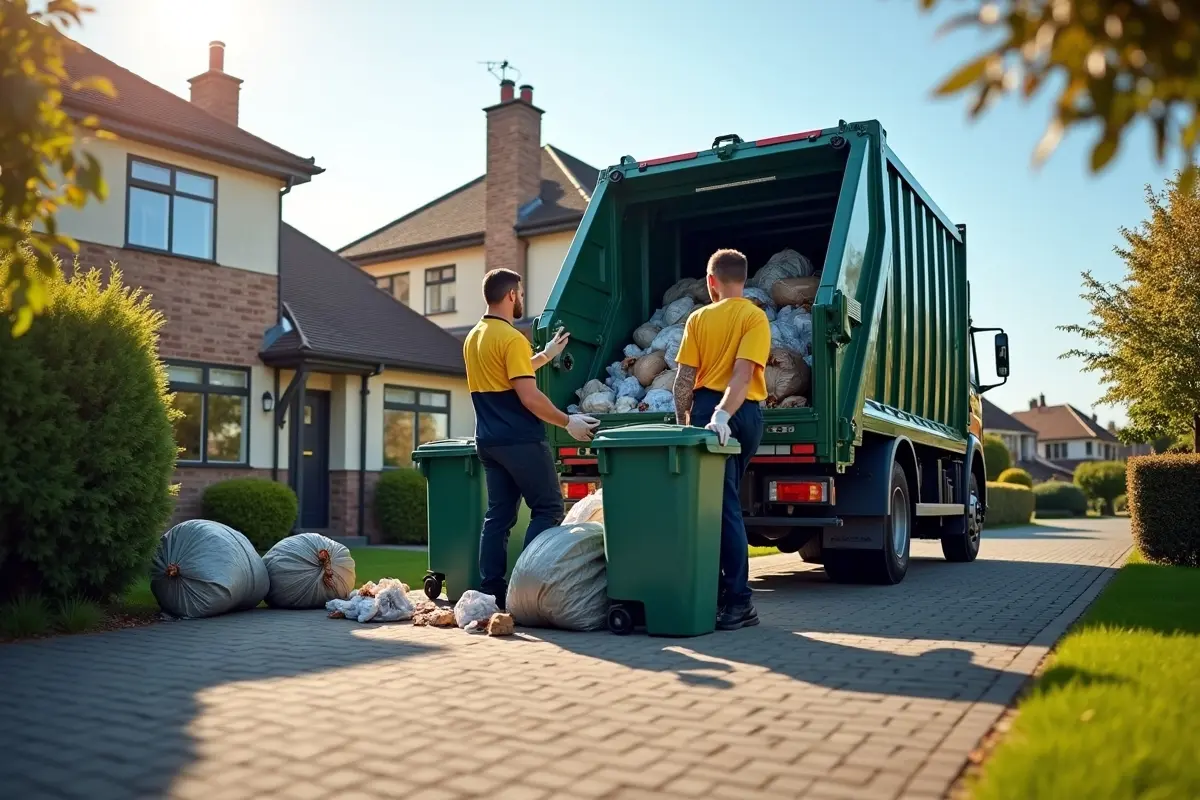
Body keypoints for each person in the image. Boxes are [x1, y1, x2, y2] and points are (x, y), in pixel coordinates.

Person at [463, 268, 600, 607]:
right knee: (548, 508)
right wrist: (568, 421)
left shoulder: (475, 337)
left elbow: (508, 374)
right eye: (521, 294)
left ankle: (492, 592)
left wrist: (546, 355)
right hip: (520, 440)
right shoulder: (511, 338)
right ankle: (525, 586)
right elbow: (529, 396)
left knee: (498, 517)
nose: (522, 299)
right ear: (511, 295)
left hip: (489, 441)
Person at [672, 249, 769, 630]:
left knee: (718, 505)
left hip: (711, 414)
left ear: (711, 282)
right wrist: (726, 414)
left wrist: (689, 422)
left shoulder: (698, 319)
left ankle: (736, 599)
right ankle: (725, 598)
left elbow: (683, 381)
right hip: (743, 415)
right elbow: (744, 375)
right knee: (724, 503)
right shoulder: (754, 316)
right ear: (744, 279)